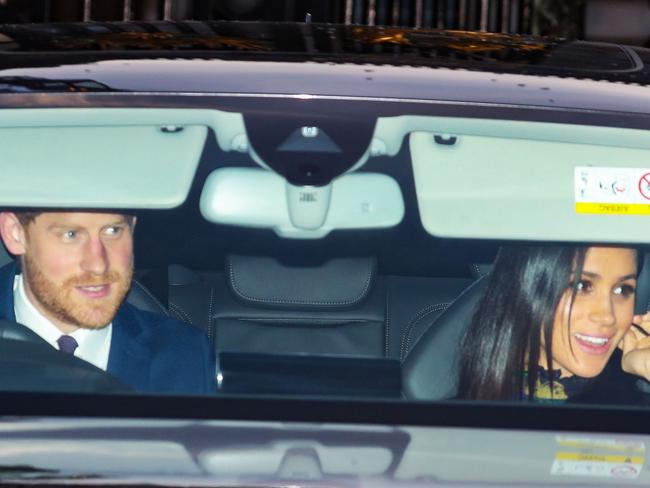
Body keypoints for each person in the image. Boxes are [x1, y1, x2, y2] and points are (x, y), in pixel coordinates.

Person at [0, 210, 216, 394]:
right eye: (71, 234)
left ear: (132, 225)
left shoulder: (186, 356)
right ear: (15, 233)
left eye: (113, 231)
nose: (98, 265)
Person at [458, 245, 650, 403]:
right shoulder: (452, 427)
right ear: (526, 289)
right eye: (581, 286)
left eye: (622, 289)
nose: (608, 316)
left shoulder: (634, 411)